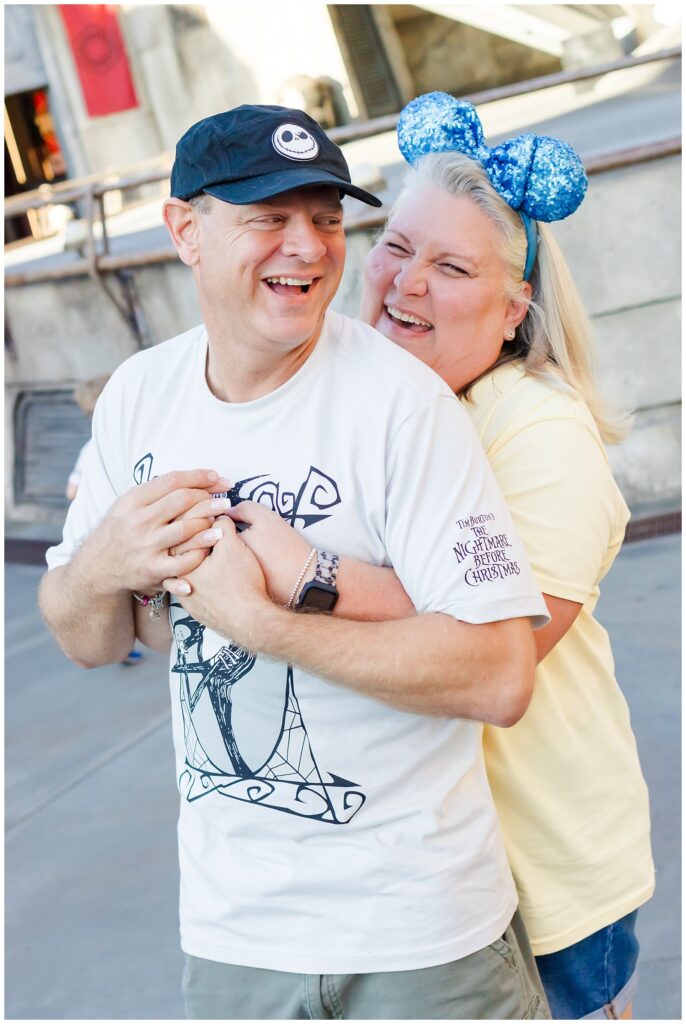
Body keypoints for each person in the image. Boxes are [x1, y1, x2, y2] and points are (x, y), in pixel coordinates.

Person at [39, 104, 552, 1021]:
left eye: (324, 217)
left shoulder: (402, 408)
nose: (308, 247)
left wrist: (269, 624)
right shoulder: (137, 399)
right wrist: (102, 563)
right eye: (268, 217)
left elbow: (502, 672)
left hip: (418, 935)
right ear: (186, 230)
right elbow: (85, 637)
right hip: (234, 940)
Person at [219, 94, 655, 1020]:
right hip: (406, 885)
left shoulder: (540, 430)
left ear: (513, 309)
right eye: (399, 247)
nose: (407, 281)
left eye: (452, 266)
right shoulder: (369, 404)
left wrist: (306, 578)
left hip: (542, 873)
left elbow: (500, 643)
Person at [67, 373, 142, 666]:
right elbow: (74, 491)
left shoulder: (91, 447)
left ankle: (127, 644)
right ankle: (126, 644)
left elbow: (70, 489)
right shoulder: (100, 448)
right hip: (113, 534)